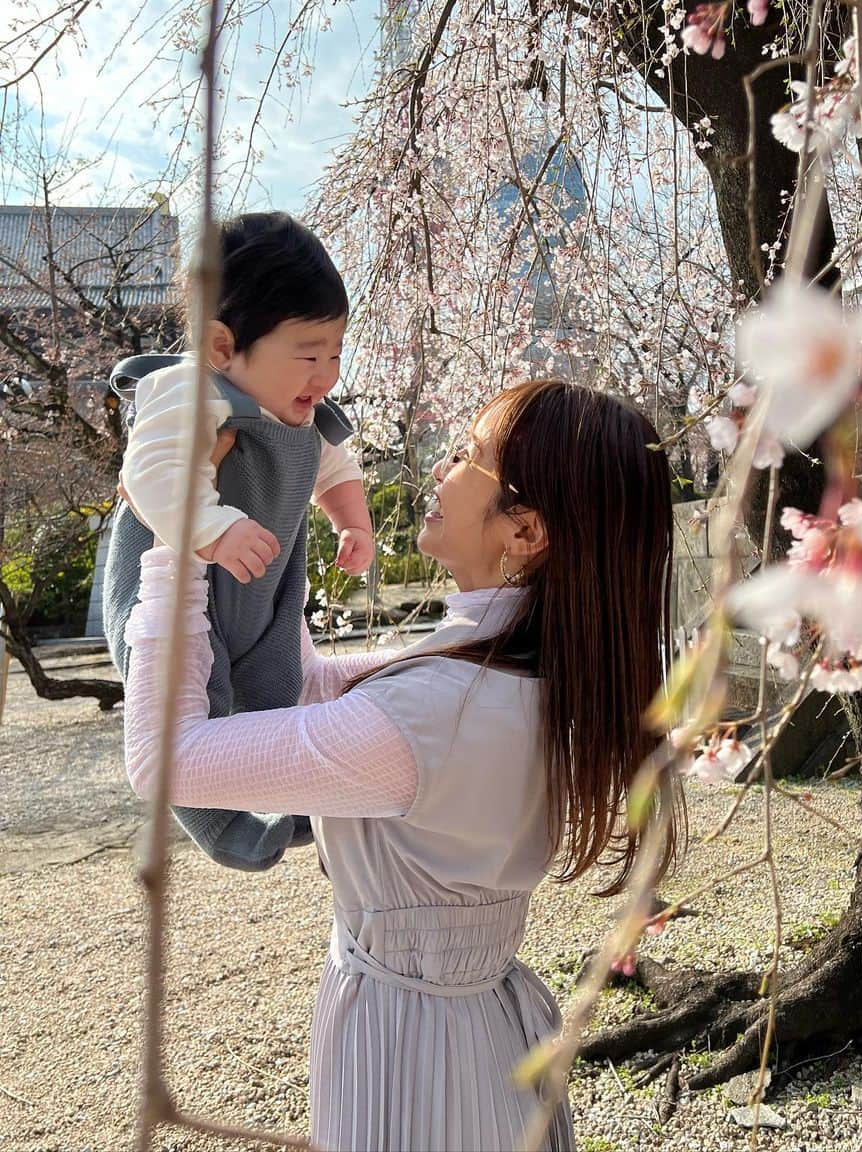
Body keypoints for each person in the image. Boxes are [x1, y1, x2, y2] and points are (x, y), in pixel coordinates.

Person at [122, 378, 683, 1152]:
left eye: (467, 455)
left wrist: (172, 545)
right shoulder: (535, 670)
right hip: (482, 1021)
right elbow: (310, 685)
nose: (439, 471)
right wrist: (269, 497)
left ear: (525, 531)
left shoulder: (435, 712)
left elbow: (165, 761)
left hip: (406, 1038)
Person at [105, 211, 374, 871]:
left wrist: (352, 521)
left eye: (336, 353)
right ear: (223, 347)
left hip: (262, 595)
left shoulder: (299, 413)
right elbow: (151, 473)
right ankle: (220, 825)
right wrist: (215, 529)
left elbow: (332, 469)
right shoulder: (190, 391)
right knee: (194, 702)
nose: (327, 375)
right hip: (174, 596)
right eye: (310, 356)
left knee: (277, 689)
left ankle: (293, 799)